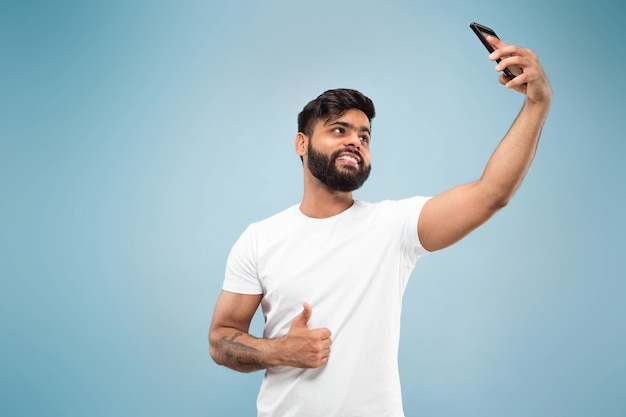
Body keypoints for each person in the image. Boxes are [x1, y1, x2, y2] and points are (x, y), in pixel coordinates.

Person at [208, 35, 551, 417]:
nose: (356, 140)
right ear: (301, 144)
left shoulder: (395, 227)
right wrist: (280, 351)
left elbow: (492, 193)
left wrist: (537, 104)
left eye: (364, 136)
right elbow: (221, 339)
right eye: (339, 130)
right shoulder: (260, 239)